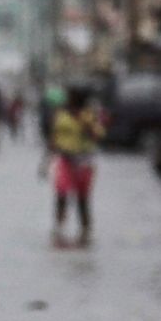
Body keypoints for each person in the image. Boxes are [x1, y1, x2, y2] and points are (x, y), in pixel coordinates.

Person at [48, 87, 107, 243]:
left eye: (71, 98)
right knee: (61, 193)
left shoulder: (89, 115)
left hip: (85, 162)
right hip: (65, 159)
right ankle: (59, 227)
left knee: (83, 198)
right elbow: (54, 136)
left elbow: (98, 135)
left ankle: (85, 229)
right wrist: (48, 157)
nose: (69, 101)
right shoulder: (61, 114)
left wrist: (86, 125)